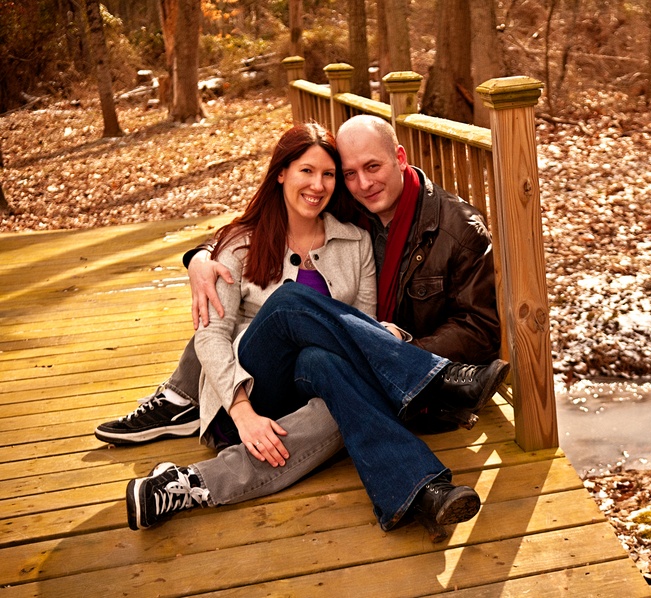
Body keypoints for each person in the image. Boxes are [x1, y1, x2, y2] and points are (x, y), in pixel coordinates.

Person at [106, 115, 504, 538]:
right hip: (249, 389)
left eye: (330, 175)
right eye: (308, 172)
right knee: (289, 302)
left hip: (308, 389)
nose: (320, 185)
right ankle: (435, 378)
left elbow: (364, 322)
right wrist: (241, 411)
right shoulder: (242, 242)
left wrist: (390, 339)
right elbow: (210, 335)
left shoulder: (354, 237)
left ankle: (423, 492)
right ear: (281, 174)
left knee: (329, 369)